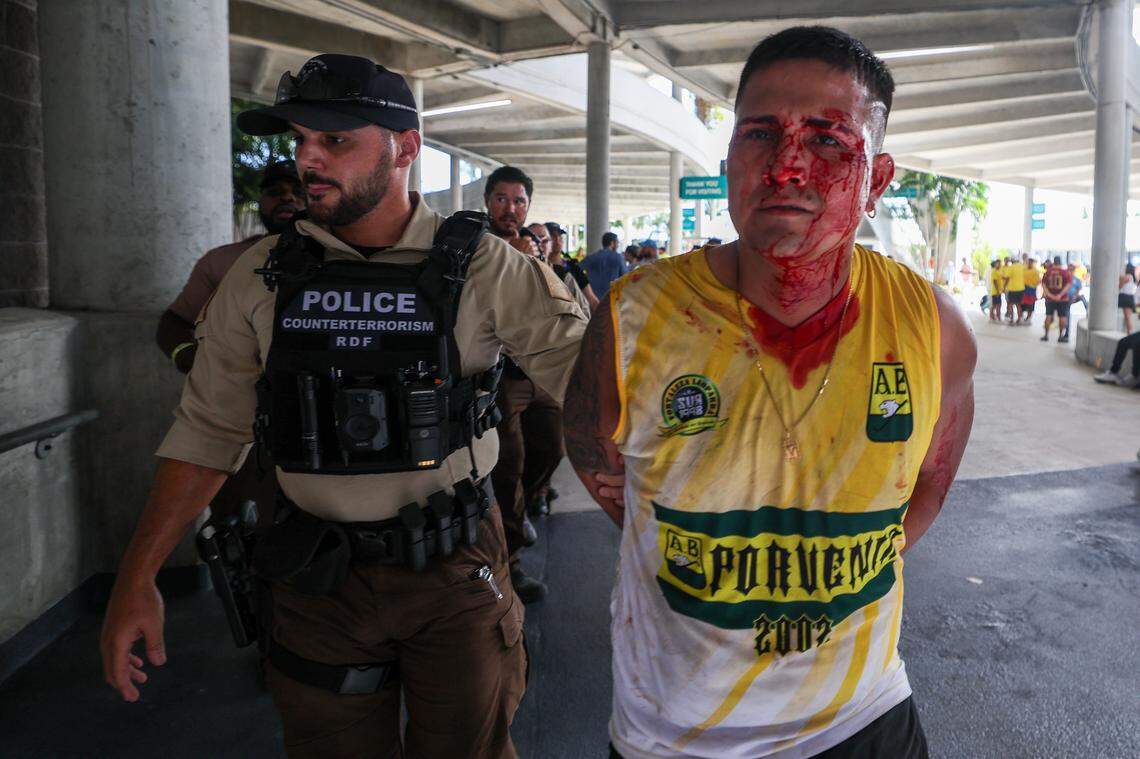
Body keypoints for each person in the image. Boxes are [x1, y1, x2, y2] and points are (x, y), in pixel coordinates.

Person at [99, 54, 588, 758]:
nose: (307, 159)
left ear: (406, 148)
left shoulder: (484, 265)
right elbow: (207, 431)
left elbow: (595, 388)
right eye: (300, 139)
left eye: (334, 140)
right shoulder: (261, 274)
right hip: (313, 575)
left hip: (453, 570)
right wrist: (137, 574)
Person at [563, 27, 975, 758]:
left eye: (827, 141)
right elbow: (598, 462)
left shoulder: (933, 326)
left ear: (877, 180)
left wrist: (819, 572)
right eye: (760, 135)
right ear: (728, 163)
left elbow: (929, 488)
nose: (786, 167)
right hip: (678, 732)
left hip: (864, 717)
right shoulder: (632, 316)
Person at [154, 160, 303, 524]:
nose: (287, 198)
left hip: (311, 425)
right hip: (240, 426)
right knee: (238, 526)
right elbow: (173, 322)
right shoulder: (225, 262)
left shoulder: (343, 259)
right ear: (261, 201)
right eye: (275, 192)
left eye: (297, 190)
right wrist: (191, 357)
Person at [483, 165, 576, 603]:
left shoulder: (535, 250)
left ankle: (523, 507)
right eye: (502, 198)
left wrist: (533, 259)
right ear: (488, 201)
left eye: (519, 200)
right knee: (507, 465)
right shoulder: (477, 247)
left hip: (537, 373)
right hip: (497, 378)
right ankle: (510, 562)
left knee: (553, 445)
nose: (511, 208)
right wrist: (511, 255)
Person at [530, 222, 591, 315]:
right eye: (534, 240)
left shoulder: (567, 272)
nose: (558, 240)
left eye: (545, 240)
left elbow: (588, 305)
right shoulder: (518, 273)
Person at [546, 221, 599, 311]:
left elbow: (592, 300)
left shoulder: (572, 267)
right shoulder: (537, 267)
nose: (557, 239)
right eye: (552, 236)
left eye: (559, 236)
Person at [582, 231, 628, 299]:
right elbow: (626, 277)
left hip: (592, 299)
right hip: (611, 299)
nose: (618, 245)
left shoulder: (591, 257)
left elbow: (576, 271)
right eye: (617, 243)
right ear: (612, 243)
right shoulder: (618, 257)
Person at [1041, 254, 1072, 343]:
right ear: (1060, 262)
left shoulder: (1048, 272)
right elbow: (1068, 285)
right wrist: (1060, 295)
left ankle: (1046, 335)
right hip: (1062, 299)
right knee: (1062, 317)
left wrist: (1049, 295)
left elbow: (1043, 284)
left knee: (1048, 316)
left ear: (1053, 262)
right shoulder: (1066, 272)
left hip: (1049, 299)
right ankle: (1060, 336)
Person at [1002, 254, 1025, 324]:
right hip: (1021, 289)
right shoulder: (1022, 266)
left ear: (1012, 261)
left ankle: (1012, 319)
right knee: (1018, 305)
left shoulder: (1011, 267)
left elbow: (1007, 278)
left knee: (1010, 305)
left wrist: (1004, 287)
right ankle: (1019, 319)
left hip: (1012, 289)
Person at [1021, 256, 1041, 324]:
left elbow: (1038, 281)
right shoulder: (1023, 269)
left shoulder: (1036, 271)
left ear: (1032, 263)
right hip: (1023, 290)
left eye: (1030, 262)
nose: (1029, 264)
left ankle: (1028, 319)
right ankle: (1021, 317)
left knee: (1030, 305)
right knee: (1022, 305)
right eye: (1028, 262)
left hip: (1031, 290)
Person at [1119, 262, 1136, 333]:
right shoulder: (1131, 277)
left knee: (1127, 318)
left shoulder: (1127, 276)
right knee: (1127, 317)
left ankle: (1130, 332)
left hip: (1125, 298)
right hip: (1130, 298)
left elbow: (1119, 286)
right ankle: (1129, 332)